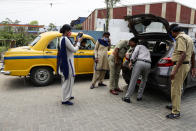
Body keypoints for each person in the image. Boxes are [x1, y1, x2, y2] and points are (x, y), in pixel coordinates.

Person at [166, 26, 196, 119]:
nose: (172, 35)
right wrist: (193, 67)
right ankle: (174, 105)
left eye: (172, 33)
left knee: (176, 89)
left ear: (174, 32)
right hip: (186, 65)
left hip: (180, 66)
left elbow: (182, 54)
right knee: (178, 87)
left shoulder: (180, 38)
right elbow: (193, 54)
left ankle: (175, 112)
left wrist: (174, 70)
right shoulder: (189, 38)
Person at [57, 24, 82, 105]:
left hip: (66, 62)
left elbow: (70, 48)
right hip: (68, 64)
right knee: (67, 81)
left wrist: (75, 42)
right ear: (66, 31)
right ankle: (64, 99)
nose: (70, 32)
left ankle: (68, 95)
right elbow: (74, 50)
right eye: (69, 31)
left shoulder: (62, 38)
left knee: (68, 81)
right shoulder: (65, 39)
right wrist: (78, 43)